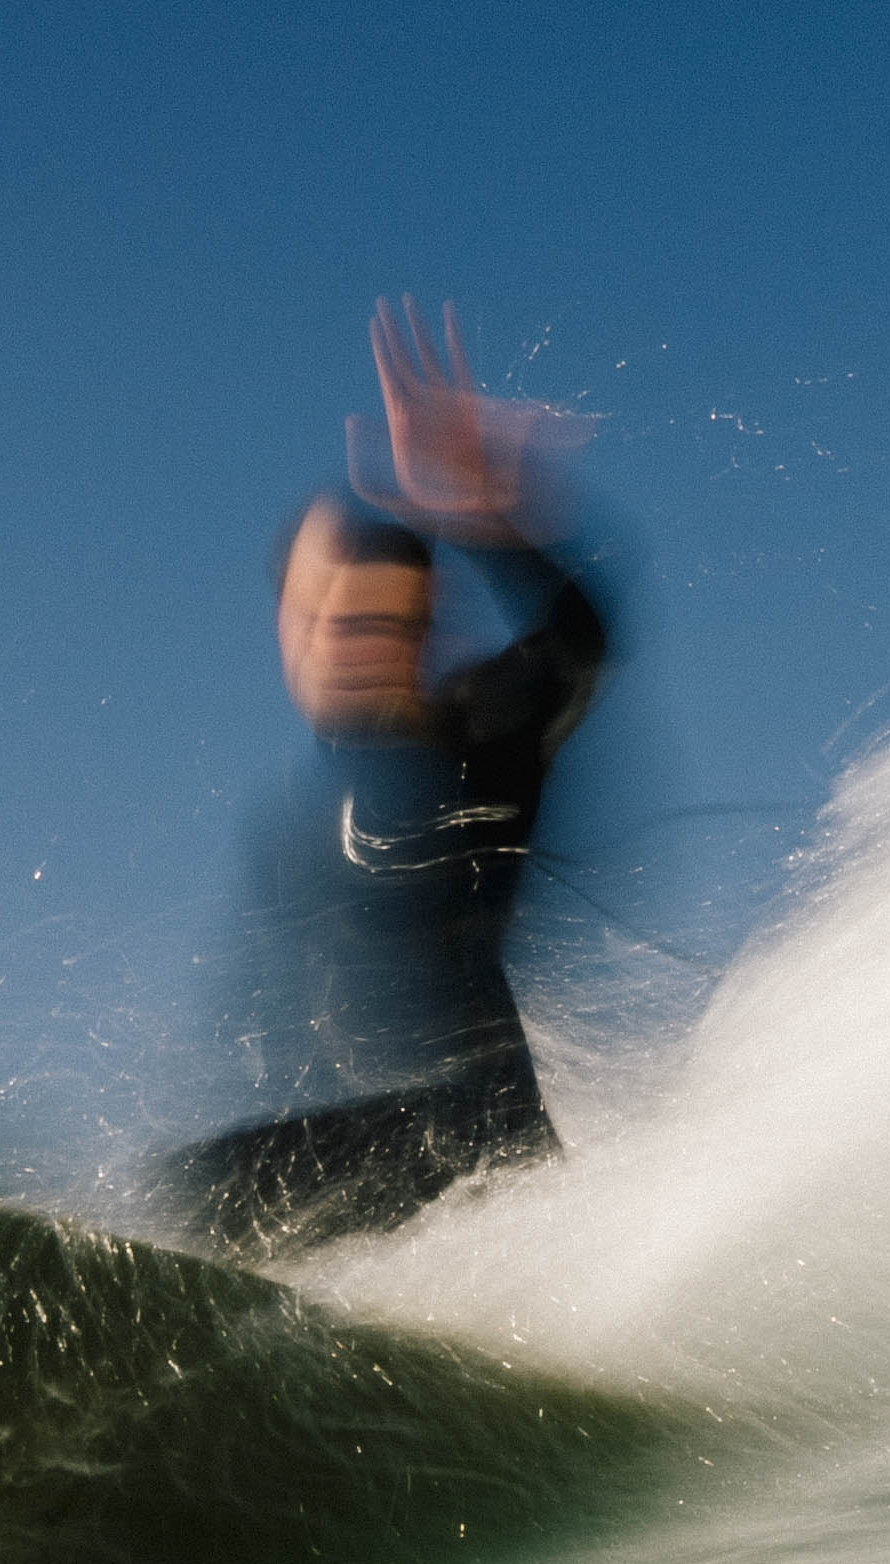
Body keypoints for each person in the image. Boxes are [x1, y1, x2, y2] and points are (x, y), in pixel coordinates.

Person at [177, 300, 608, 1256]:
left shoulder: (480, 739)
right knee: (202, 1185)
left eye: (378, 623)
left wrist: (494, 520)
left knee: (211, 1191)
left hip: (485, 1163)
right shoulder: (293, 824)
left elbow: (581, 642)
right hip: (380, 1186)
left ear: (425, 632)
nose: (346, 645)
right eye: (321, 620)